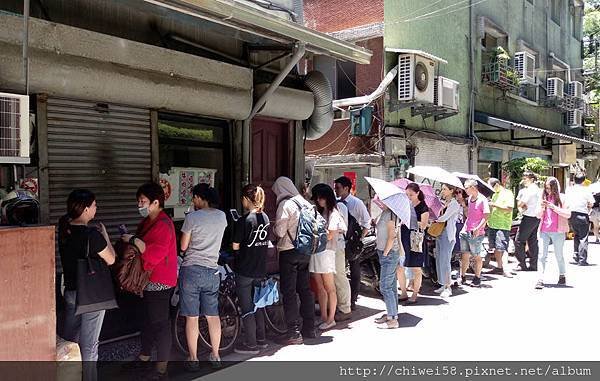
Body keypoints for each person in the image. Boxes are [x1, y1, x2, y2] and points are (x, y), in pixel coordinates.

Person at [121, 182, 177, 380]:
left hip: (160, 281)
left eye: (142, 201)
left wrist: (132, 240)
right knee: (147, 321)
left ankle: (162, 369)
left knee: (160, 324)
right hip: (147, 280)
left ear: (155, 202)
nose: (139, 205)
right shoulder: (149, 221)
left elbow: (152, 254)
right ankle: (144, 358)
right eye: (138, 201)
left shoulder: (162, 224)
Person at [58, 189, 115, 381]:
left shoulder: (64, 230)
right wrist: (106, 235)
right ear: (85, 209)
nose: (96, 208)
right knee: (89, 346)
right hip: (91, 297)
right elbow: (112, 260)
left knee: (69, 341)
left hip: (71, 293)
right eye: (94, 205)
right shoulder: (92, 235)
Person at [179, 183, 227, 370]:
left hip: (191, 271)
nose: (193, 201)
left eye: (194, 197)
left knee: (192, 317)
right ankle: (215, 355)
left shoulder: (192, 217)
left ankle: (193, 358)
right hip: (212, 271)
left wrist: (191, 217)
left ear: (200, 197)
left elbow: (183, 246)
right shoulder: (222, 216)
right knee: (212, 316)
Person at [272, 176, 317, 345]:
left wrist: (275, 228)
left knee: (289, 292)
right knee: (305, 289)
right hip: (305, 252)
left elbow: (281, 232)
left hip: (289, 252)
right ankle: (309, 328)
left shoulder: (285, 205)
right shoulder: (305, 202)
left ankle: (294, 332)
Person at [232, 184, 270, 355]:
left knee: (247, 308)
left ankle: (251, 344)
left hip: (245, 269)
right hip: (260, 269)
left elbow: (235, 246)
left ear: (247, 199)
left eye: (243, 198)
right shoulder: (266, 218)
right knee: (258, 305)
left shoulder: (245, 220)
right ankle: (261, 340)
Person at [310, 184, 346, 330]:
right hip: (318, 252)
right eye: (317, 198)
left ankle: (331, 318)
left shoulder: (334, 213)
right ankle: (325, 317)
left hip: (326, 253)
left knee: (329, 287)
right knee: (320, 287)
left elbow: (330, 234)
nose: (319, 200)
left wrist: (316, 233)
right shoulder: (322, 212)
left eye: (321, 197)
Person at [333, 176, 371, 310]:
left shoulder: (356, 203)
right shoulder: (336, 202)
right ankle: (342, 299)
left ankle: (353, 299)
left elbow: (367, 222)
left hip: (352, 241)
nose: (335, 190)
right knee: (340, 271)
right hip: (340, 241)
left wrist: (359, 238)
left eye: (338, 188)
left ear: (346, 188)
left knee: (354, 270)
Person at [536, 177, 571, 289]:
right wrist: (541, 208)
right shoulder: (543, 198)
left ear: (555, 188)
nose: (548, 190)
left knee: (558, 254)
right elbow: (537, 215)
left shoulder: (563, 198)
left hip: (558, 231)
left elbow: (568, 214)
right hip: (544, 230)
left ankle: (562, 274)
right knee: (541, 255)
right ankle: (540, 279)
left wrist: (553, 207)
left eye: (550, 188)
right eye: (546, 188)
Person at [373, 204, 400, 329]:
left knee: (385, 287)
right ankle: (392, 314)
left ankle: (393, 319)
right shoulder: (385, 212)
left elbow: (392, 236)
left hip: (388, 253)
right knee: (392, 286)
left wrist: (385, 253)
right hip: (385, 252)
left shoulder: (391, 214)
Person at [459, 179, 490, 287]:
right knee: (464, 254)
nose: (465, 190)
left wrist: (478, 228)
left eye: (466, 188)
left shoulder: (482, 200)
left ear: (473, 187)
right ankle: (462, 276)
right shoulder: (470, 199)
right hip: (466, 230)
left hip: (476, 232)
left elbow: (486, 216)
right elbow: (469, 215)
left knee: (476, 255)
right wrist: (464, 206)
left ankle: (477, 277)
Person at [433, 184, 461, 298]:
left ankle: (448, 286)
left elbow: (445, 218)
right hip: (440, 233)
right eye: (443, 189)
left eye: (445, 189)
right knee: (439, 260)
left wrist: (434, 219)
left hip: (447, 235)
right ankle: (442, 284)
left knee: (445, 260)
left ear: (451, 190)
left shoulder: (454, 204)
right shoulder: (445, 203)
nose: (443, 191)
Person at [403, 183, 429, 304]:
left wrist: (412, 220)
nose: (409, 197)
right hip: (405, 237)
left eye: (411, 195)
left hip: (416, 240)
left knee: (416, 268)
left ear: (417, 193)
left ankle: (415, 293)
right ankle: (406, 290)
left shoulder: (423, 207)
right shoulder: (406, 205)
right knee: (404, 265)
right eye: (407, 194)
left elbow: (424, 225)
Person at [487, 178, 514, 278]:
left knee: (502, 247)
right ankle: (499, 267)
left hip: (502, 224)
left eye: (492, 187)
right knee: (495, 248)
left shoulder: (507, 193)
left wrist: (494, 204)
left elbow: (509, 208)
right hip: (492, 224)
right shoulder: (494, 194)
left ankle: (506, 269)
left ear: (497, 184)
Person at [565, 173, 594, 266]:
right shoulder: (586, 190)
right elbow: (591, 203)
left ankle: (576, 255)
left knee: (576, 235)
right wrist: (588, 207)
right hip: (583, 214)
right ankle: (582, 260)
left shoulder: (569, 190)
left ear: (574, 179)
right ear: (584, 180)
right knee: (583, 237)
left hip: (572, 215)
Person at [514, 171, 541, 271]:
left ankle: (521, 263)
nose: (524, 181)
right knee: (532, 241)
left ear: (531, 179)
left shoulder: (531, 190)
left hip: (529, 216)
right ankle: (533, 264)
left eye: (525, 179)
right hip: (535, 217)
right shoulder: (537, 189)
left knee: (519, 240)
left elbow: (521, 203)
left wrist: (522, 204)